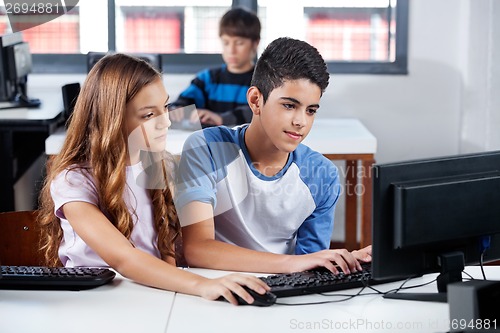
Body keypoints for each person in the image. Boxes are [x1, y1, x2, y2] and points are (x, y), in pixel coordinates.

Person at [37, 53, 269, 306]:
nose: (166, 122)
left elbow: (165, 248)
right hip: (94, 304)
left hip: (150, 293)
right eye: (149, 115)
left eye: (166, 107)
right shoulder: (73, 180)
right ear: (112, 119)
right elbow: (124, 258)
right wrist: (203, 286)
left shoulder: (156, 164)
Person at [175, 37, 372, 275]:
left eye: (310, 111)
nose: (301, 122)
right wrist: (293, 263)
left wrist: (342, 261)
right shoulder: (206, 147)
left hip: (279, 291)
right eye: (289, 105)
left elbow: (310, 268)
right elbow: (197, 250)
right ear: (256, 101)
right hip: (215, 287)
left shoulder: (323, 175)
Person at [169, 7, 260, 127]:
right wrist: (177, 109)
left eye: (239, 43)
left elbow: (262, 112)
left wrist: (221, 118)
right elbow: (183, 101)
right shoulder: (207, 79)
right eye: (226, 42)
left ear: (255, 43)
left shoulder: (262, 81)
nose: (231, 50)